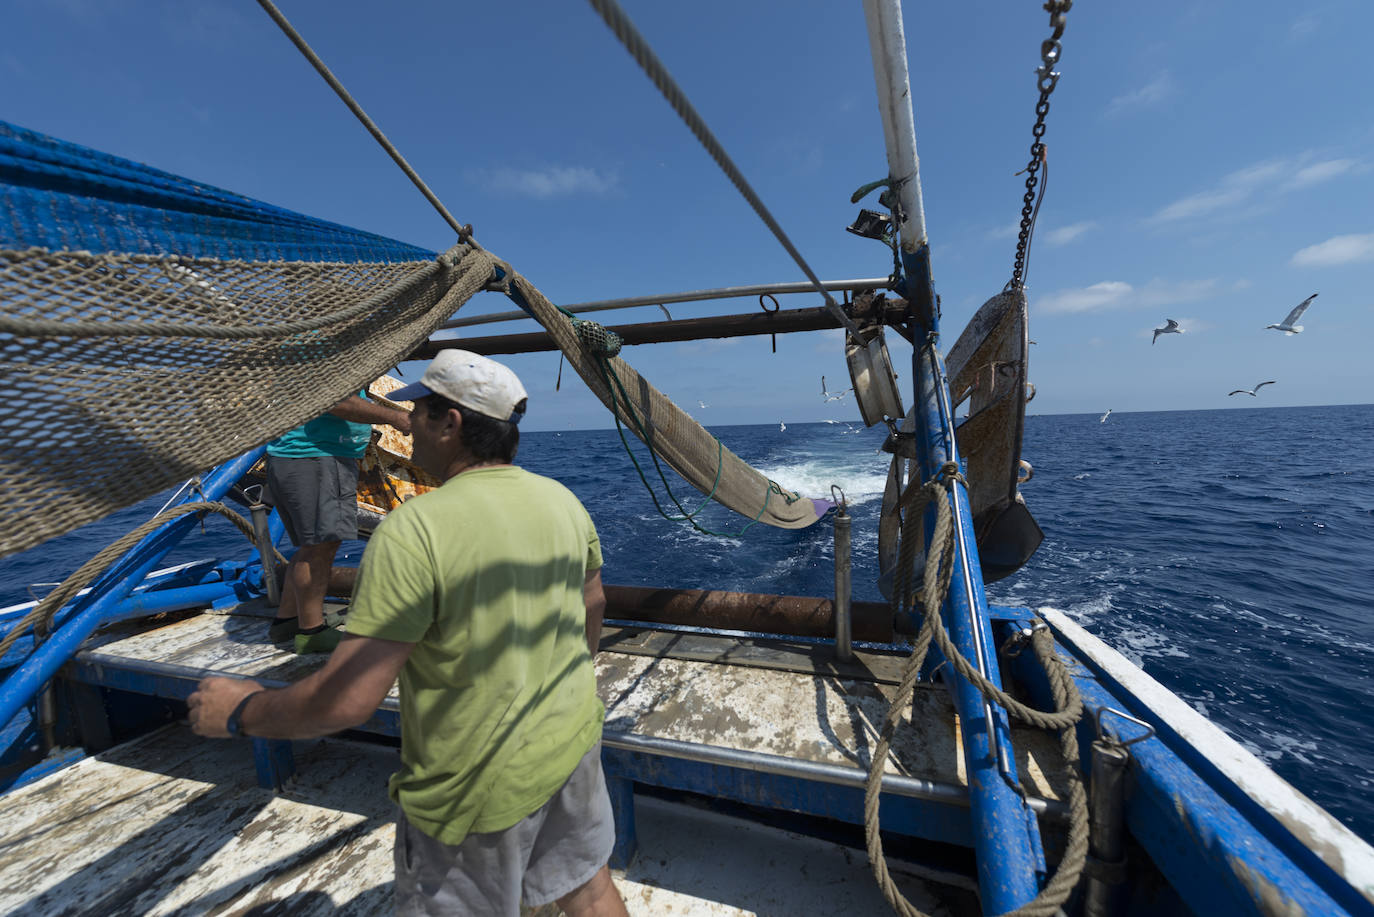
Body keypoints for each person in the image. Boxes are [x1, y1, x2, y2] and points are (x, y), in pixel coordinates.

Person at [190, 350, 628, 917]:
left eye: (417, 412)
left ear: (452, 425)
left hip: (475, 785)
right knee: (588, 889)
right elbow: (593, 601)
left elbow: (346, 700)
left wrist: (242, 709)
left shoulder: (413, 530)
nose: (404, 425)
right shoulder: (562, 500)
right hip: (572, 742)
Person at [265, 390, 411, 653]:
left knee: (316, 545)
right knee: (319, 546)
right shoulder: (320, 352)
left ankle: (287, 621)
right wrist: (396, 417)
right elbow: (337, 401)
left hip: (316, 455)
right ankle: (312, 632)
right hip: (315, 455)